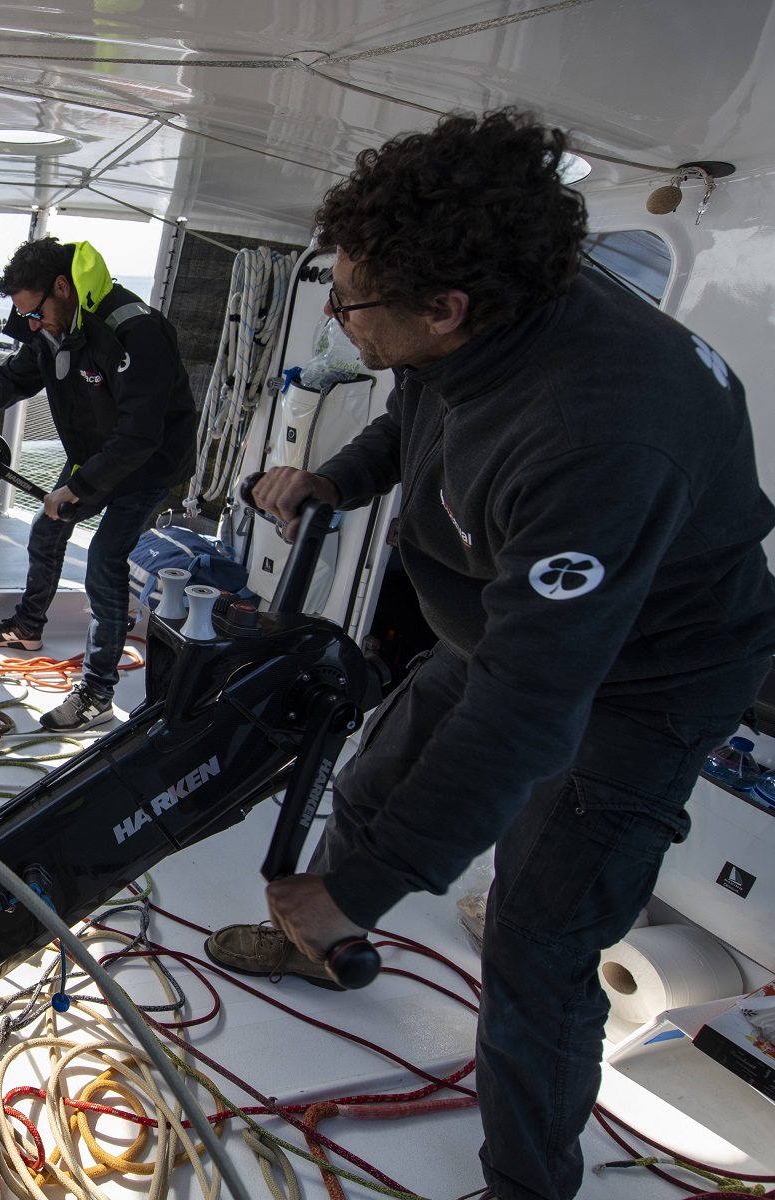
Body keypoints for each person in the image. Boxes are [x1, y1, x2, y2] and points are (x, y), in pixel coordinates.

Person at [203, 109, 775, 1200]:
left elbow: (531, 708)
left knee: (542, 947)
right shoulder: (497, 313)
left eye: (351, 299)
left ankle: (525, 1185)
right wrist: (341, 480)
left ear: (447, 308)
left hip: (642, 685)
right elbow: (424, 403)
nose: (336, 313)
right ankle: (326, 945)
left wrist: (355, 887)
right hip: (515, 626)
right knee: (377, 774)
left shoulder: (600, 433)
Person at [0, 238, 196, 732]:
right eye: (26, 320)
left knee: (104, 559)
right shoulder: (49, 329)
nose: (33, 327)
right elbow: (5, 385)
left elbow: (139, 434)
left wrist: (78, 488)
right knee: (46, 530)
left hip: (150, 463)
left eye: (35, 314)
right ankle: (28, 627)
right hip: (96, 454)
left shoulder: (135, 331)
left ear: (62, 287)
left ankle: (98, 694)